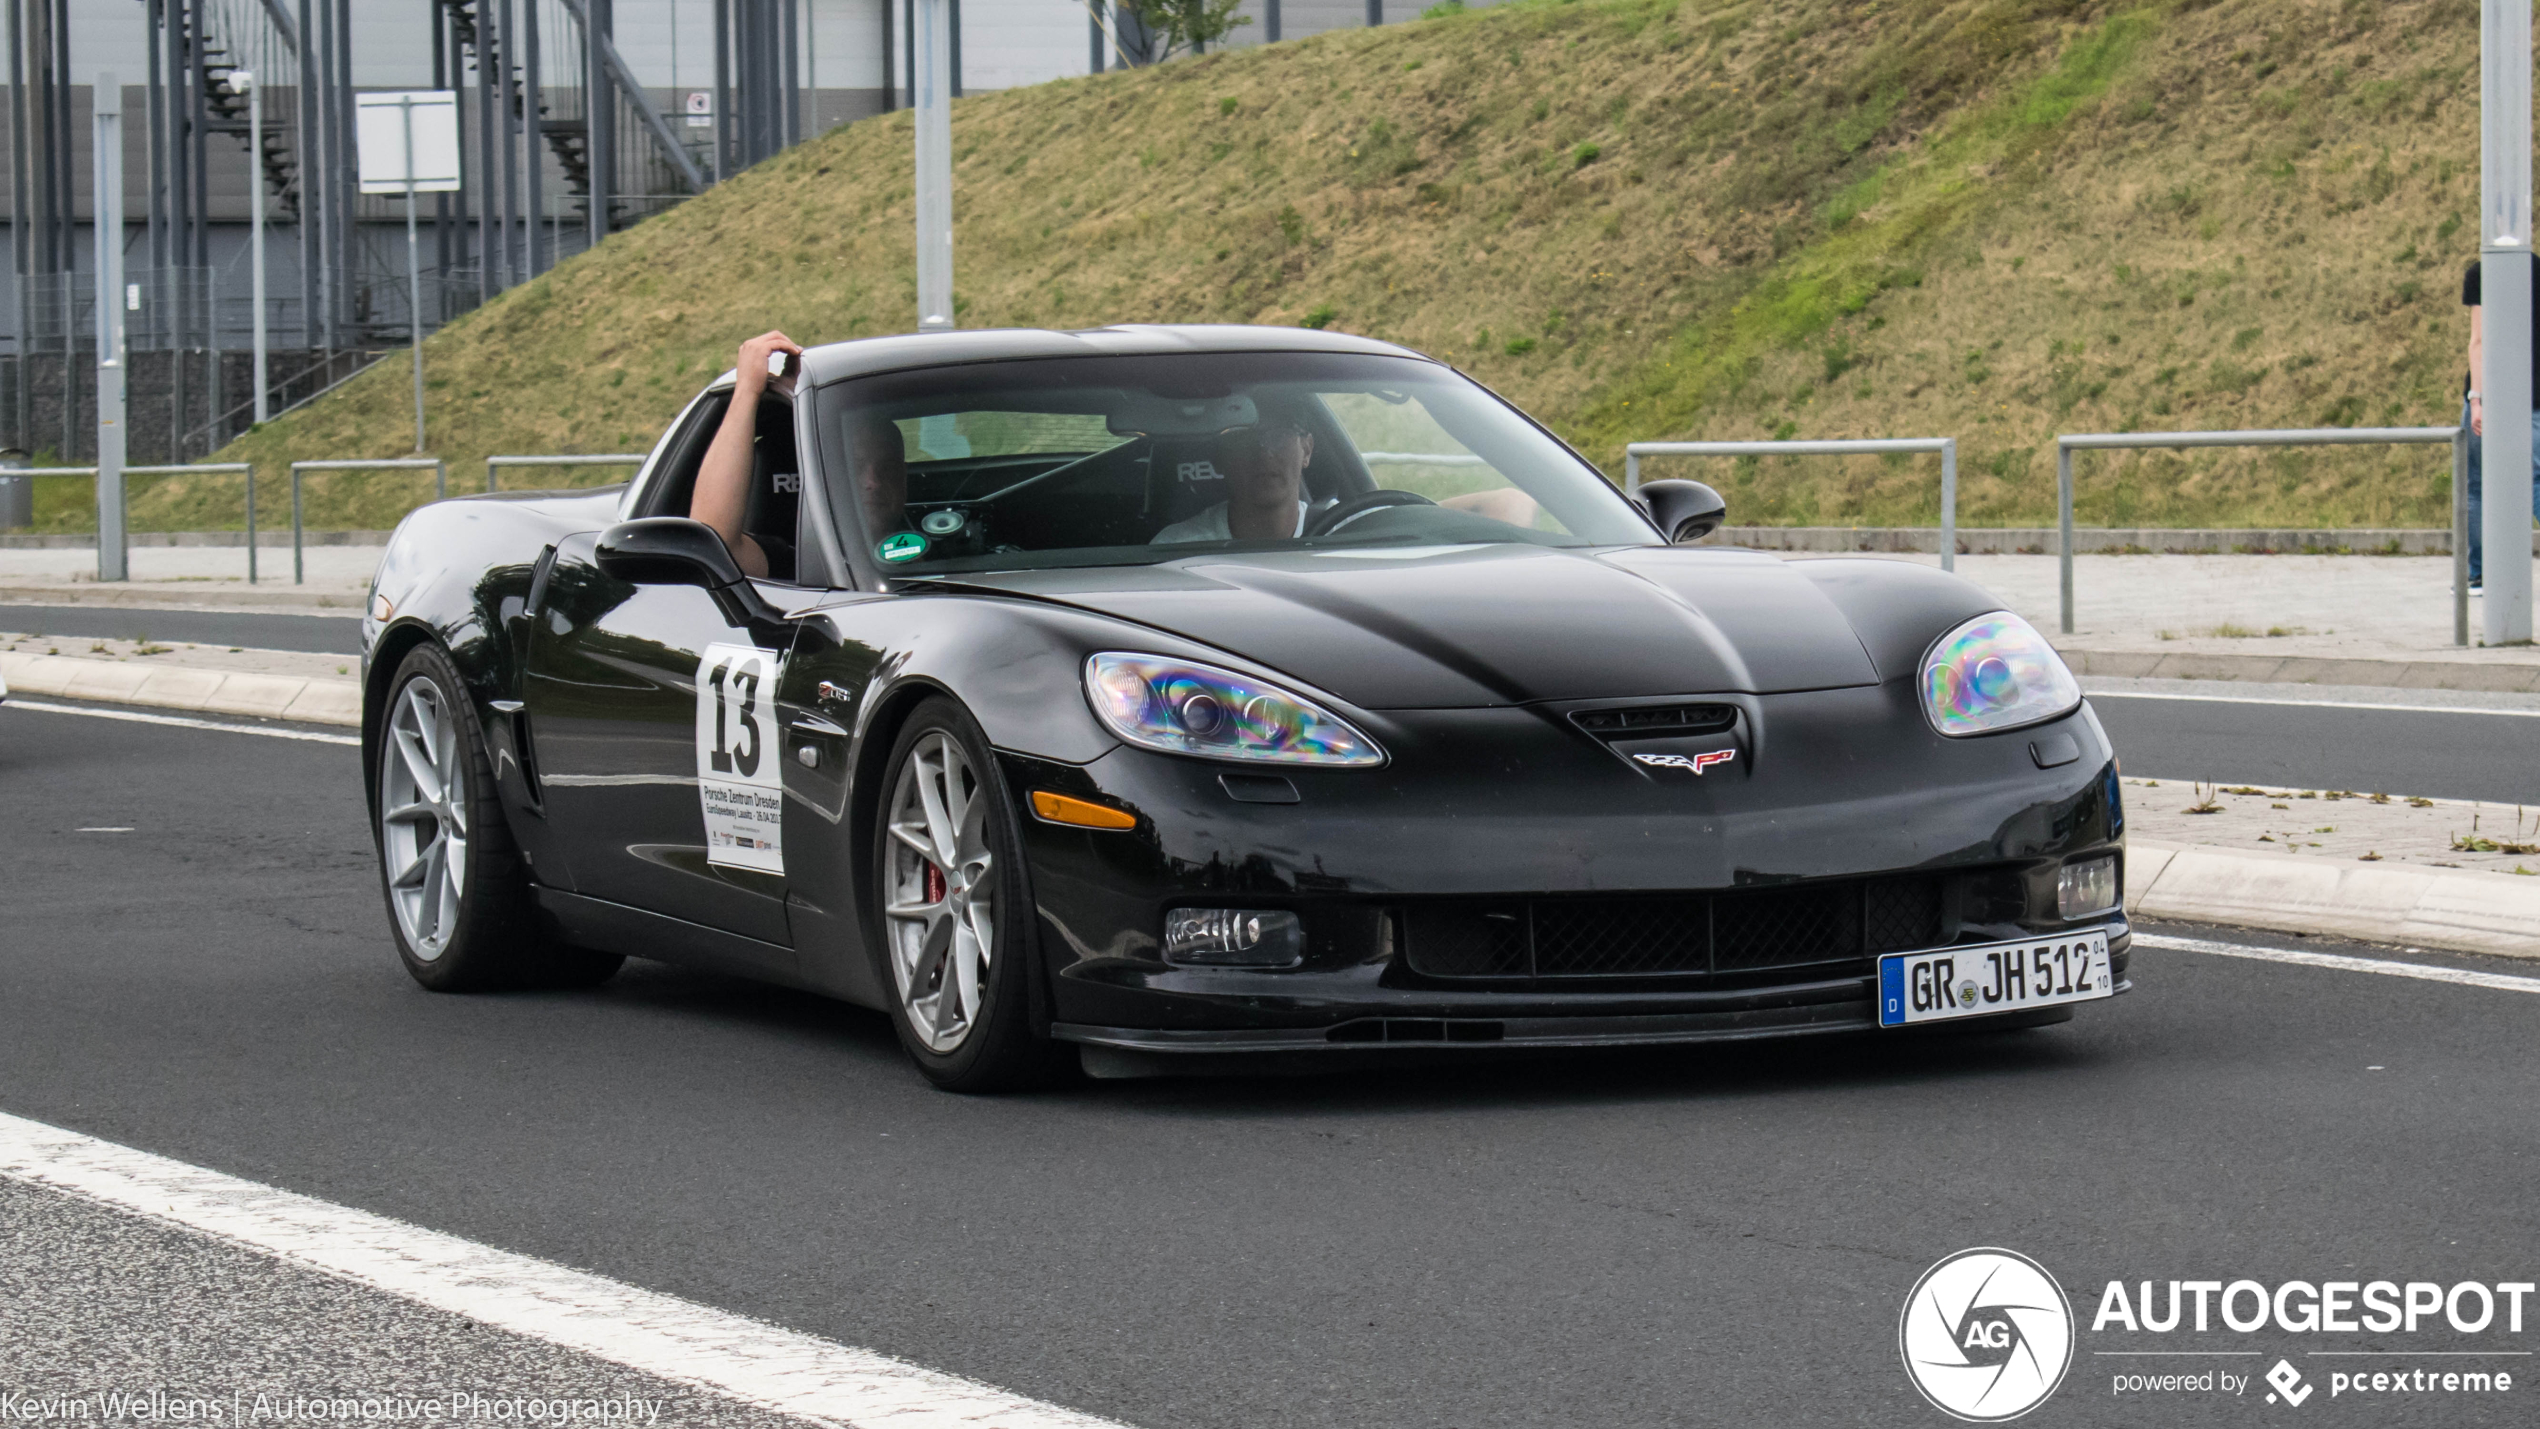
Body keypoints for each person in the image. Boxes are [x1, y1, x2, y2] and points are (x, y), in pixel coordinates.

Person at [691, 331, 909, 574]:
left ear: (904, 477)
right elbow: (713, 545)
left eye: (887, 467)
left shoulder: (952, 545)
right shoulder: (803, 563)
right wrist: (747, 391)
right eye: (855, 466)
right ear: (829, 476)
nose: (873, 481)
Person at [2461, 261, 2540, 593]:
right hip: (2534, 394)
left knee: (2479, 485)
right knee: (2535, 480)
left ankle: (2480, 574)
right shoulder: (2536, 268)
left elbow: (2479, 341)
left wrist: (2477, 399)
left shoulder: (2481, 272)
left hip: (2492, 394)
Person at [1152, 413, 1325, 543]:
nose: (1264, 454)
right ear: (1218, 458)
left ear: (1307, 450)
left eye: (1279, 437)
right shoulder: (1178, 546)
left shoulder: (1343, 529)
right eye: (1244, 440)